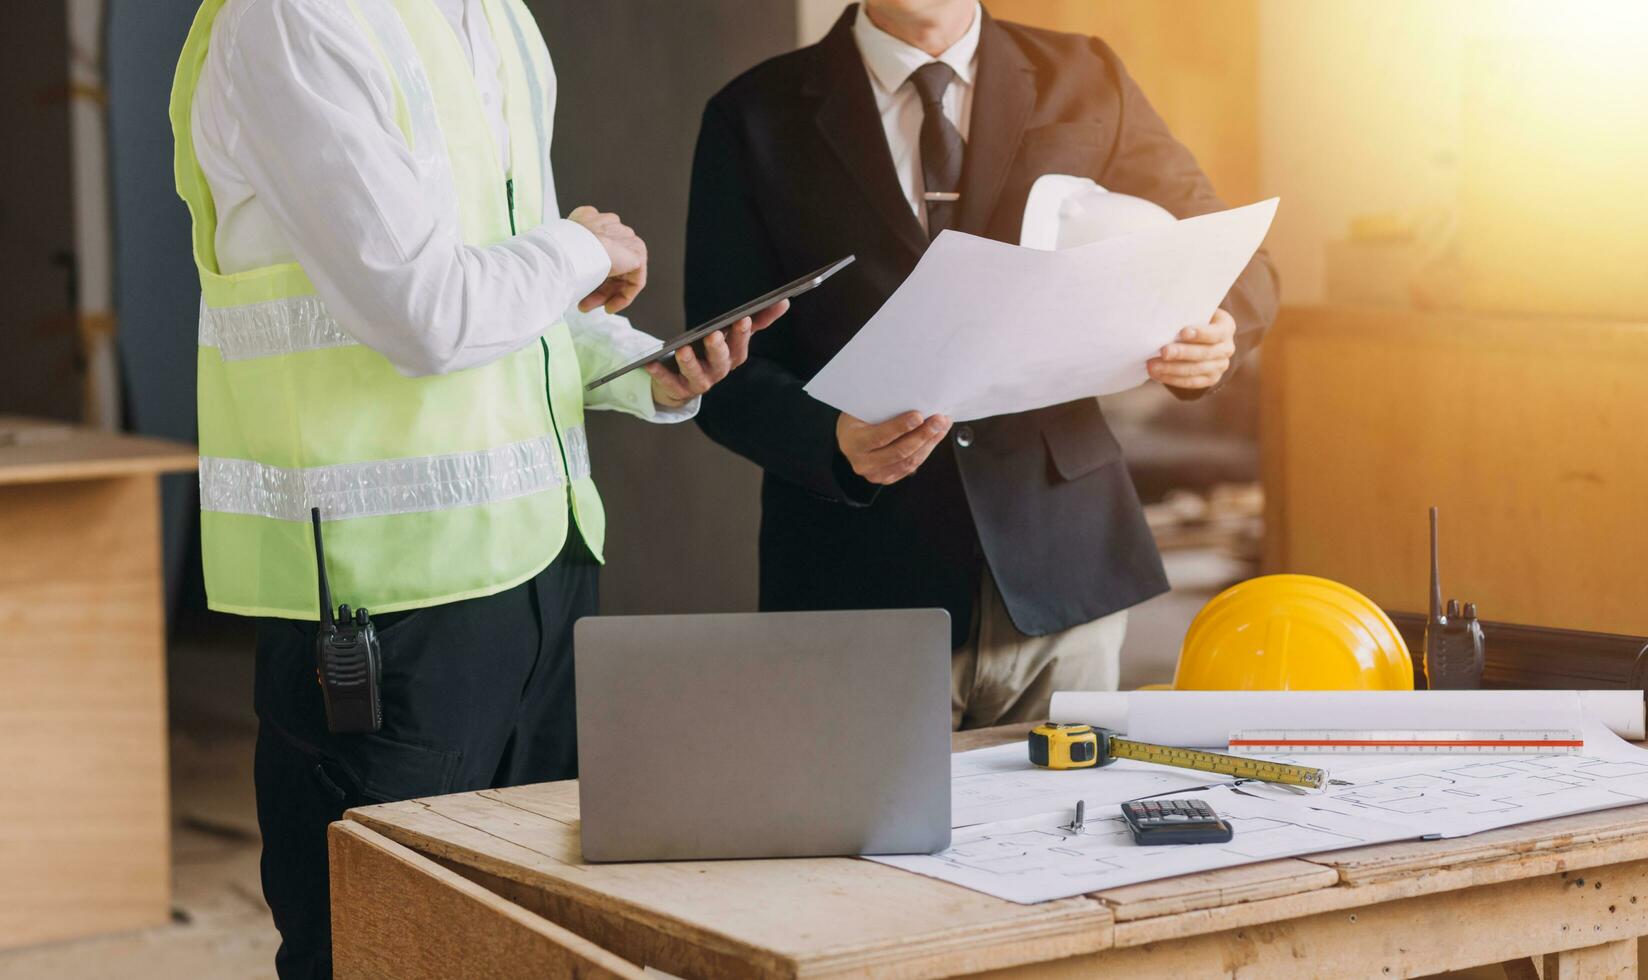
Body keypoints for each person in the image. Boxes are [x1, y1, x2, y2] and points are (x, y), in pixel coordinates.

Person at [170, 1, 784, 975]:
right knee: (379, 949)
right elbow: (424, 313)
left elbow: (502, 293)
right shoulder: (291, 19)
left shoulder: (494, 16)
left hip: (544, 570)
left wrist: (632, 363)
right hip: (384, 608)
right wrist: (590, 248)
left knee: (531, 939)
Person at [686, 1, 1278, 729]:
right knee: (866, 846)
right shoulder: (753, 113)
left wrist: (1219, 333)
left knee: (1069, 834)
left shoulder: (1086, 73)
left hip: (1065, 570)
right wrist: (832, 441)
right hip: (858, 585)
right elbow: (718, 373)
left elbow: (1228, 251)